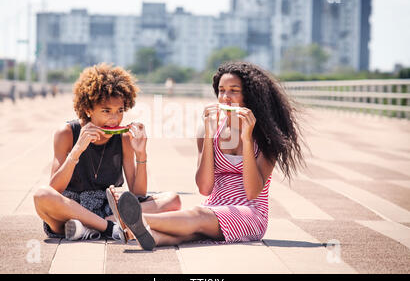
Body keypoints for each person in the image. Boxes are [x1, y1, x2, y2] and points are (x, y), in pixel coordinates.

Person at [111, 61, 305, 250]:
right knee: (189, 232)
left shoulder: (267, 138)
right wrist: (209, 137)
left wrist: (247, 139)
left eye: (234, 90)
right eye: (221, 90)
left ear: (250, 94)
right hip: (213, 206)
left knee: (196, 215)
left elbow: (252, 192)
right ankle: (148, 235)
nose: (225, 97)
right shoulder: (208, 130)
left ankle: (130, 220)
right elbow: (205, 188)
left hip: (250, 214)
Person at [33, 63, 181, 241]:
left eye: (120, 111)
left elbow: (137, 194)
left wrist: (141, 155)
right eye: (106, 111)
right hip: (71, 208)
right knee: (41, 195)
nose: (115, 118)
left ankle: (90, 227)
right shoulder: (66, 133)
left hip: (106, 206)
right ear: (88, 110)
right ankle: (111, 228)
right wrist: (77, 150)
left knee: (173, 200)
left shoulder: (124, 138)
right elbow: (55, 189)